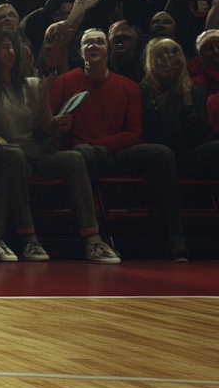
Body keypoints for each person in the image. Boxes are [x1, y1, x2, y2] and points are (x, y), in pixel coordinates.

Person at [49, 29, 187, 261]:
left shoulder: (128, 86)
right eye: (88, 42)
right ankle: (95, 238)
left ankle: (175, 236)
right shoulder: (65, 82)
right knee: (83, 154)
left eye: (99, 42)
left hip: (116, 152)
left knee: (161, 153)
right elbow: (49, 126)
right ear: (80, 50)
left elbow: (135, 132)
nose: (94, 46)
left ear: (107, 49)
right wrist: (59, 126)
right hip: (83, 154)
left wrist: (98, 143)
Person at [0, 30, 112, 262]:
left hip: (36, 150)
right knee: (16, 156)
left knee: (74, 158)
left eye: (14, 48)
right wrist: (10, 146)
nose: (11, 52)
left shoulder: (33, 85)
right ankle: (29, 239)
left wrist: (59, 122)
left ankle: (93, 239)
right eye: (5, 47)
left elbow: (48, 129)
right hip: (10, 153)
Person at [141, 37, 219, 173]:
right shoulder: (141, 93)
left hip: (187, 155)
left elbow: (199, 135)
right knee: (161, 153)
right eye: (162, 53)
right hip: (153, 155)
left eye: (174, 52)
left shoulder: (197, 93)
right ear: (151, 61)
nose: (168, 57)